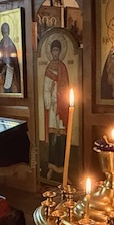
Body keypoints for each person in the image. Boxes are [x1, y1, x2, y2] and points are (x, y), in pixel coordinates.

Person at [43, 38, 70, 181]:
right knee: (53, 137)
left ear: (60, 52)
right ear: (51, 52)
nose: (55, 53)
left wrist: (62, 101)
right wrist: (50, 102)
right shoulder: (49, 68)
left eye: (57, 50)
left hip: (62, 107)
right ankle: (51, 166)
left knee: (62, 137)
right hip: (53, 107)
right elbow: (46, 89)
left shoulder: (63, 68)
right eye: (53, 50)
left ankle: (63, 167)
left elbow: (66, 87)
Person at [0, 22, 21, 93]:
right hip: (2, 68)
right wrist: (1, 61)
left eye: (6, 30)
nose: (5, 32)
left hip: (11, 68)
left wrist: (11, 60)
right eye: (4, 31)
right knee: (1, 84)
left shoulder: (11, 44)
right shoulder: (0, 44)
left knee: (13, 84)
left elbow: (14, 56)